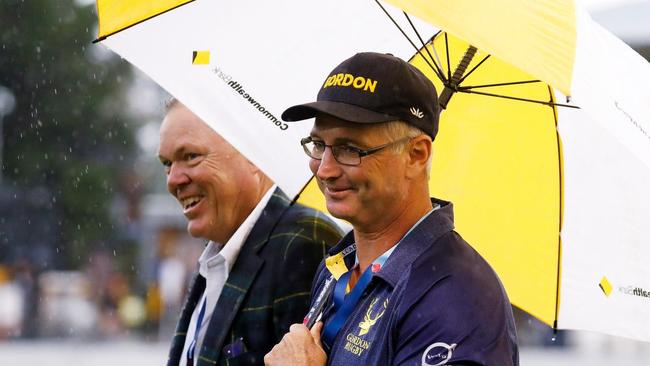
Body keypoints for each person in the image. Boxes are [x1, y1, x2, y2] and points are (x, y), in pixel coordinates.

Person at [264, 53, 519, 366]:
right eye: (319, 145)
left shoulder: (457, 295)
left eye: (349, 149)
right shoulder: (337, 266)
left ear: (416, 154)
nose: (325, 169)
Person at [158, 100, 343, 366]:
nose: (173, 180)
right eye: (166, 163)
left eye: (190, 156)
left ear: (251, 154)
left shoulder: (303, 242)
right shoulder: (221, 253)